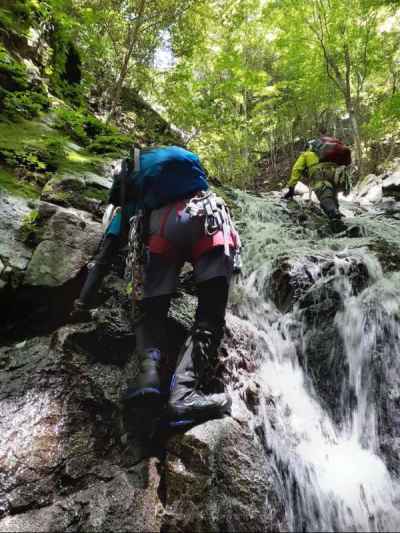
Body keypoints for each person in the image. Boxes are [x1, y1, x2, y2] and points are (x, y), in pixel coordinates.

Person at [75, 145, 240, 427]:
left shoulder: (133, 205)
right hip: (208, 218)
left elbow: (104, 257)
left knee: (150, 310)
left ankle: (148, 376)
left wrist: (81, 303)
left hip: (160, 227)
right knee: (209, 315)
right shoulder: (181, 178)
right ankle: (183, 393)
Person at [283, 136, 352, 223]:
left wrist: (291, 188)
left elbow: (296, 170)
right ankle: (337, 213)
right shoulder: (329, 155)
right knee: (332, 196)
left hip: (321, 176)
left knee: (325, 196)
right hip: (337, 177)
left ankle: (334, 214)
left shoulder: (307, 154)